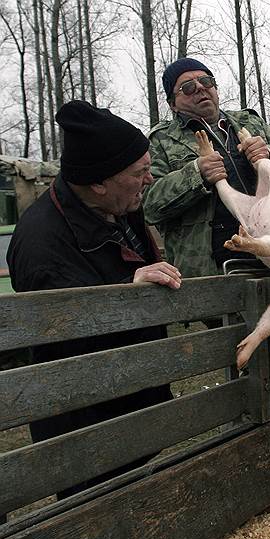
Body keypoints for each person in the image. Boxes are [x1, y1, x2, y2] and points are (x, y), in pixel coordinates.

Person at [6, 100, 181, 497]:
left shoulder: (119, 205)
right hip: (83, 419)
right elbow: (59, 328)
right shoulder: (40, 243)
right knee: (94, 502)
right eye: (139, 172)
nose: (149, 179)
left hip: (129, 397)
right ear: (100, 181)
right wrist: (125, 293)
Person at [143, 57, 270, 278]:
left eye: (206, 81)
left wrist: (269, 155)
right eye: (188, 87)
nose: (200, 88)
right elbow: (148, 204)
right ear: (173, 103)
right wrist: (196, 174)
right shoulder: (159, 140)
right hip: (210, 271)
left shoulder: (251, 123)